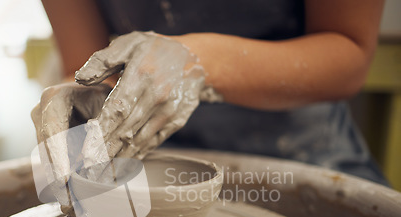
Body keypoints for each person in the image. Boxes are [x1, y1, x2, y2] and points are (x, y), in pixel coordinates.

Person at [36, 0, 388, 186]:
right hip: (153, 151)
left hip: (301, 149)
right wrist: (78, 96)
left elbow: (350, 54)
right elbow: (88, 62)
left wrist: (197, 62)